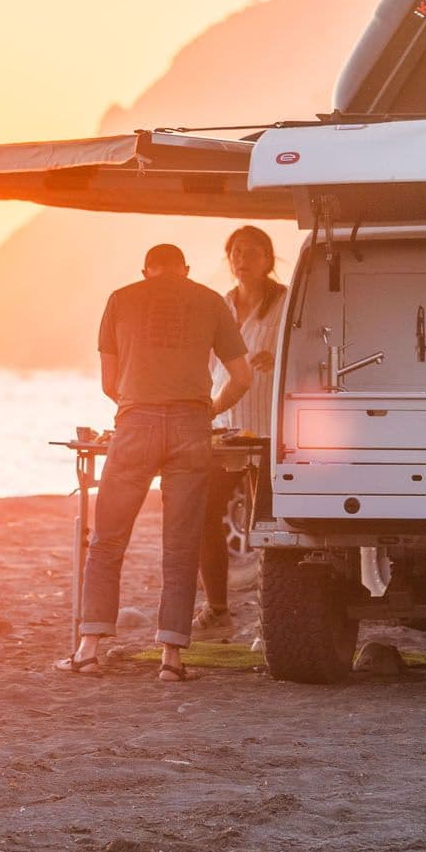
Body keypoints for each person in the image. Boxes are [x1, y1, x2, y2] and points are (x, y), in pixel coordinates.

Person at [58, 243, 252, 683]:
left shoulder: (120, 298)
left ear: (146, 271)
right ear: (185, 270)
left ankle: (88, 649)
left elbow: (111, 382)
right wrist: (209, 409)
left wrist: (140, 403)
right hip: (191, 426)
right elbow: (243, 378)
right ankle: (171, 659)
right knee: (181, 545)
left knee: (107, 538)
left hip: (135, 425)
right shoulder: (210, 301)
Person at [194, 226, 286, 639]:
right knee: (201, 513)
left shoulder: (287, 302)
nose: (242, 259)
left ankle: (275, 621)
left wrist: (279, 357)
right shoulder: (219, 305)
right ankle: (218, 610)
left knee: (271, 525)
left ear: (269, 258)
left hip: (270, 428)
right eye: (235, 252)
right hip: (224, 425)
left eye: (251, 252)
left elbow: (309, 350)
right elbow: (205, 362)